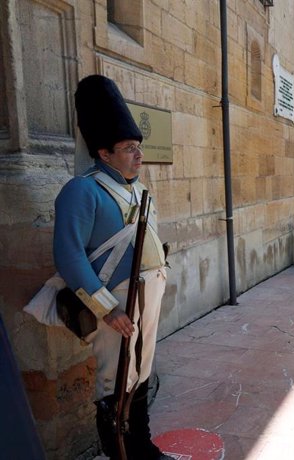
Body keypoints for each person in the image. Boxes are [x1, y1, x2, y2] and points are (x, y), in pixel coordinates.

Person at [54, 75, 171, 459]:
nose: (139, 156)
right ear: (103, 153)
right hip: (115, 302)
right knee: (114, 380)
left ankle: (142, 446)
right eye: (128, 149)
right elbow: (69, 257)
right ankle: (119, 451)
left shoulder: (136, 189)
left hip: (146, 297)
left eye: (138, 147)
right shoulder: (82, 190)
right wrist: (106, 308)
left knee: (141, 372)